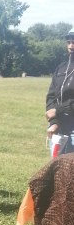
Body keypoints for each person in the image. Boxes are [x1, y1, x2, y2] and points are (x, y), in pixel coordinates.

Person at [45, 27, 74, 157]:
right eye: (69, 42)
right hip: (59, 127)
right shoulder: (61, 68)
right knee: (56, 166)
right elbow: (51, 97)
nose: (71, 46)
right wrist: (54, 122)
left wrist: (58, 110)